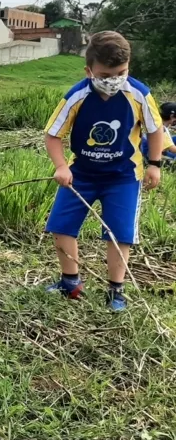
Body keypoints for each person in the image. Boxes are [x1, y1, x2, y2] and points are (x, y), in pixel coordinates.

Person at [44, 31, 163, 312]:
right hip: (81, 175)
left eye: (120, 73)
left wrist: (155, 165)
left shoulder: (139, 94)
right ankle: (70, 282)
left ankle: (115, 291)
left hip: (123, 178)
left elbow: (155, 131)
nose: (113, 80)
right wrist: (61, 166)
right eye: (105, 74)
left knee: (119, 234)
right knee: (61, 226)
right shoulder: (77, 96)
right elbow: (52, 135)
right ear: (89, 71)